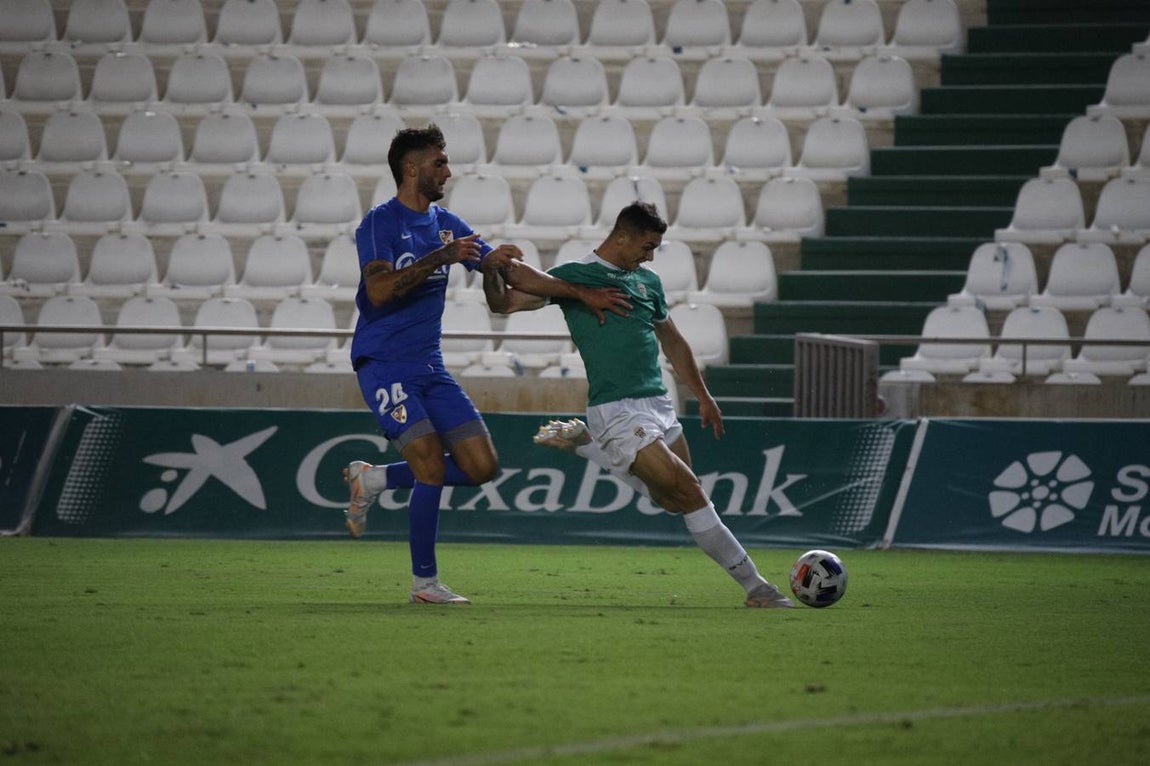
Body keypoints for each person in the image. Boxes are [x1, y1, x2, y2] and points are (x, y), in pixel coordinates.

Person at [344, 124, 630, 604]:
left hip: (428, 366)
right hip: (384, 364)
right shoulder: (380, 223)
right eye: (439, 163)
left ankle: (372, 478)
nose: (447, 172)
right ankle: (425, 584)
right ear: (411, 168)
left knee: (481, 466)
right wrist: (442, 256)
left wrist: (576, 291)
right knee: (432, 467)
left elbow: (510, 275)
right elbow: (377, 289)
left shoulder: (447, 222)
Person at [486, 202, 794, 608]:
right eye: (647, 246)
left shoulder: (647, 281)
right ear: (623, 237)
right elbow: (502, 303)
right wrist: (489, 267)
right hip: (616, 408)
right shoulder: (575, 276)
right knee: (689, 492)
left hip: (658, 403)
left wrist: (702, 395)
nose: (650, 256)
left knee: (675, 499)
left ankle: (586, 446)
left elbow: (673, 341)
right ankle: (758, 588)